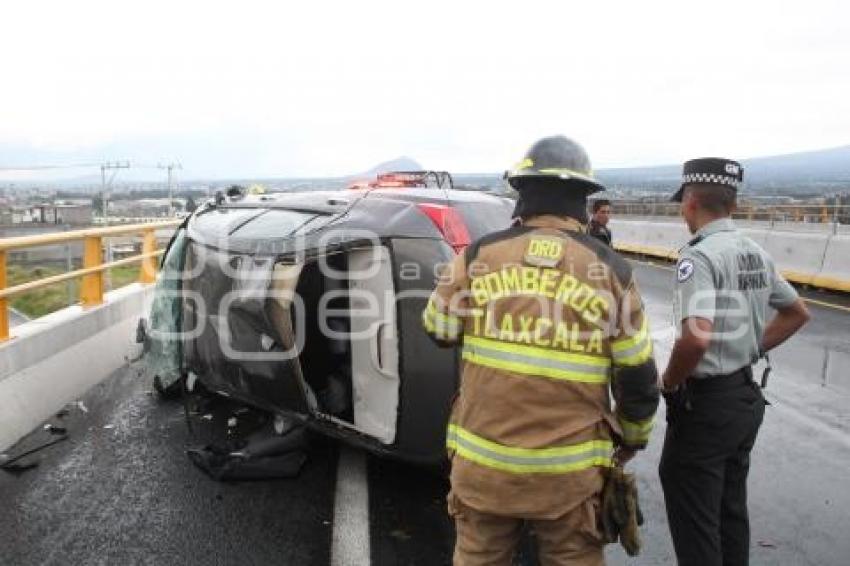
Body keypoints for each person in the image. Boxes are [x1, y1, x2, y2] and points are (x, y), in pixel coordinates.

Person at [422, 135, 660, 565]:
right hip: (569, 481)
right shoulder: (611, 270)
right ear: (583, 201)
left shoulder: (478, 255)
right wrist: (633, 440)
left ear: (522, 195)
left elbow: (437, 328)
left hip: (483, 469)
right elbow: (638, 374)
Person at [659, 158, 811, 566]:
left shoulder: (701, 258)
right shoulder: (755, 252)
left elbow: (695, 337)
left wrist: (669, 382)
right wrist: (749, 349)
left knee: (695, 516)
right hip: (745, 398)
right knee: (729, 513)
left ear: (690, 202)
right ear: (733, 205)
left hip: (706, 406)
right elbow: (797, 312)